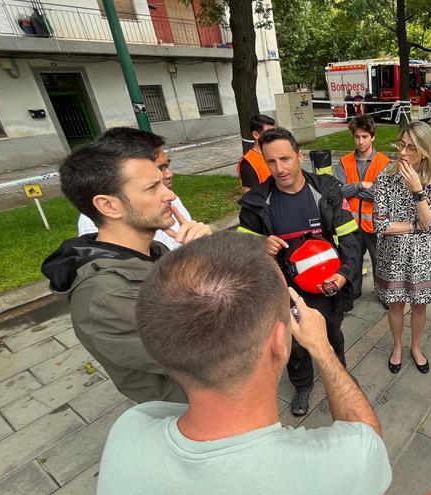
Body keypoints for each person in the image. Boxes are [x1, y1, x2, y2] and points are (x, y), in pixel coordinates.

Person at [97, 232, 391, 495]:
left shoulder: (131, 430)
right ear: (279, 342)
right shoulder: (343, 464)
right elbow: (368, 439)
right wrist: (323, 350)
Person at [41, 129, 212, 404]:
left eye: (163, 181)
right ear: (108, 206)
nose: (169, 195)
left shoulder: (154, 252)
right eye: (152, 187)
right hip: (194, 412)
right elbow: (216, 347)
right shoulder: (109, 297)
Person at [238, 128, 362, 416]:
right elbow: (239, 244)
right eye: (271, 162)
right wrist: (259, 242)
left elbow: (351, 238)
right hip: (284, 292)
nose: (280, 169)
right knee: (294, 345)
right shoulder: (257, 201)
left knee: (332, 334)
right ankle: (303, 385)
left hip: (327, 287)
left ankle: (339, 372)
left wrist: (343, 274)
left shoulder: (326, 190)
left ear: (299, 155)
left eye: (285, 159)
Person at [373, 121, 431, 375]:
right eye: (401, 144)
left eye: (411, 148)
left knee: (419, 305)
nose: (402, 152)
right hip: (393, 255)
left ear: (424, 151)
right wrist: (418, 224)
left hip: (423, 257)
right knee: (395, 305)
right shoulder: (385, 176)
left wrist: (417, 191)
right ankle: (397, 347)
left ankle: (415, 346)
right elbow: (380, 224)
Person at [77, 128, 190, 251]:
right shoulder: (96, 222)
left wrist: (201, 247)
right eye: (160, 168)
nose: (169, 174)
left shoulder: (170, 199)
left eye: (167, 165)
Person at [334, 115, 391, 300]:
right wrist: (360, 185)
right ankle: (353, 292)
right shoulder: (344, 162)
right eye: (357, 137)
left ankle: (384, 295)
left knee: (380, 262)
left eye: (364, 136)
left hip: (375, 225)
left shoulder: (384, 163)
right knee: (352, 261)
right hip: (349, 224)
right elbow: (338, 191)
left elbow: (381, 194)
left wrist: (351, 189)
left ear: (372, 137)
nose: (360, 141)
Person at [237, 114, 276, 192]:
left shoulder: (275, 154)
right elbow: (250, 197)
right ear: (256, 135)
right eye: (269, 132)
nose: (273, 135)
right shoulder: (248, 163)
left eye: (274, 131)